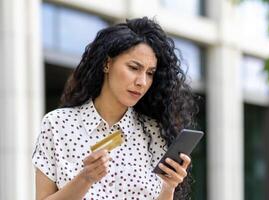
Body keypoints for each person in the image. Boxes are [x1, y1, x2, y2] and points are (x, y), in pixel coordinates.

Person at [32, 17, 199, 200]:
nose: (142, 82)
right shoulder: (58, 124)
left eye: (150, 73)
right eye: (134, 68)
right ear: (107, 64)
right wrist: (85, 178)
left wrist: (169, 188)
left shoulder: (155, 133)